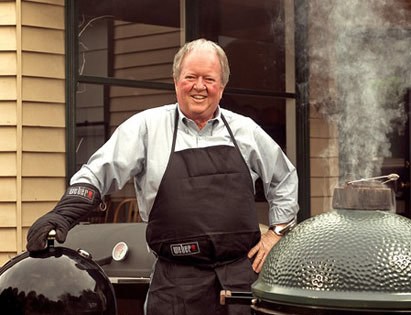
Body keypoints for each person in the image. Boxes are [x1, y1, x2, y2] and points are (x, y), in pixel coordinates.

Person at [26, 38, 299, 315]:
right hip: (175, 285)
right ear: (175, 80)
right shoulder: (146, 128)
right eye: (190, 77)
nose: (199, 86)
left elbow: (285, 178)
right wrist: (65, 212)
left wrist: (277, 233)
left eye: (209, 79)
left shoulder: (246, 131)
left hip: (240, 281)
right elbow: (97, 174)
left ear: (222, 85)